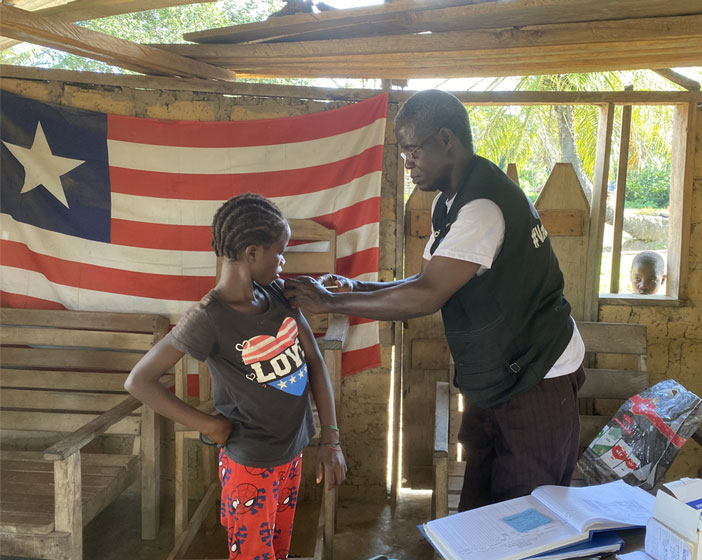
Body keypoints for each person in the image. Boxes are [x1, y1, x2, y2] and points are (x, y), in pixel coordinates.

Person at [285, 89, 585, 512]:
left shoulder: (483, 208)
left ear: (446, 139)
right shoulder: (453, 200)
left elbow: (426, 297)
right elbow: (428, 278)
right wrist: (354, 288)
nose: (407, 164)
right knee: (481, 506)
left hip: (538, 374)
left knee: (527, 514)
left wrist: (330, 303)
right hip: (503, 373)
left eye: (412, 151)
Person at [125, 193, 346, 560]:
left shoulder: (277, 293)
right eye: (280, 251)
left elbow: (314, 361)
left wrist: (331, 437)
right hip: (251, 465)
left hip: (292, 452)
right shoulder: (208, 317)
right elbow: (139, 380)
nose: (283, 260)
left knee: (278, 551)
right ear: (252, 253)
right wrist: (208, 425)